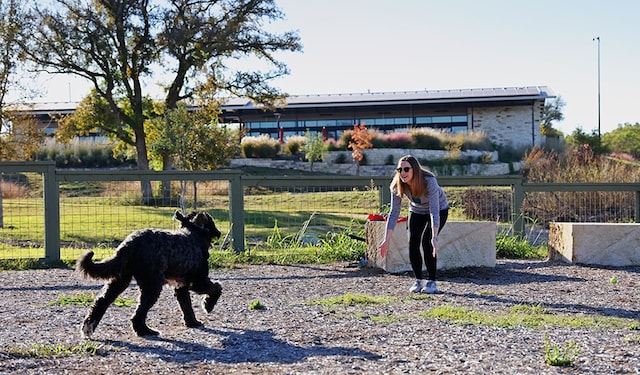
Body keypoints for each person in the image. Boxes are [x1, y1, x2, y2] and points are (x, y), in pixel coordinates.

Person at [378, 155, 449, 294]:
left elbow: (434, 210)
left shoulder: (429, 181)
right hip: (416, 210)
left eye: (406, 169)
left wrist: (435, 236)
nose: (402, 173)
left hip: (439, 209)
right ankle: (418, 280)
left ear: (414, 170)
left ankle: (432, 282)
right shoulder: (397, 184)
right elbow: (394, 213)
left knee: (427, 243)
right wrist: (386, 239)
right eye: (400, 169)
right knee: (412, 242)